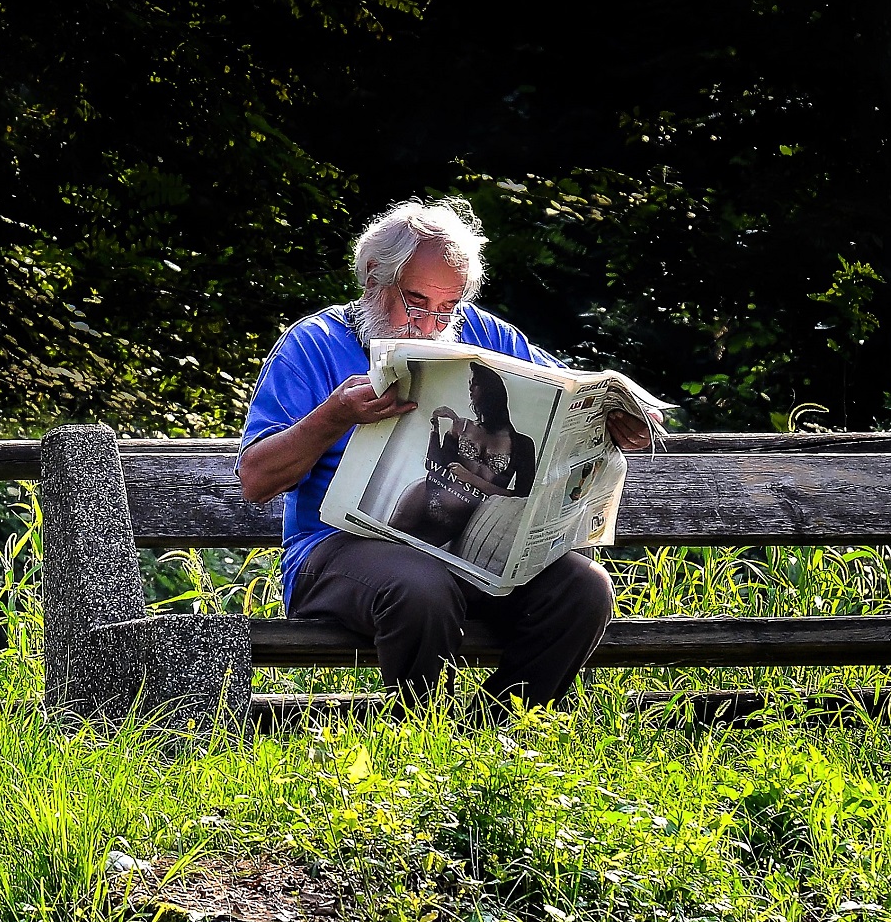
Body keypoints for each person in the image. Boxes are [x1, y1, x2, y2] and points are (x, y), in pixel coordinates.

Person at [235, 198, 652, 712]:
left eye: (447, 308)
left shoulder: (487, 337)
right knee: (421, 586)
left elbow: (569, 392)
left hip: (471, 556)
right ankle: (421, 745)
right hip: (338, 554)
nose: (430, 325)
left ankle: (498, 738)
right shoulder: (315, 343)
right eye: (415, 301)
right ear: (373, 278)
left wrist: (612, 419)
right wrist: (334, 415)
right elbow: (254, 480)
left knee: (584, 590)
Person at [388, 362, 536, 548]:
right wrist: (435, 426)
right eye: (469, 385)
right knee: (386, 542)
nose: (471, 390)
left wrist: (472, 479)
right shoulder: (462, 426)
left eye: (475, 384)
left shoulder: (523, 444)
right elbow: (434, 466)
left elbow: (522, 497)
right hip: (428, 496)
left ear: (491, 390)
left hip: (469, 517)